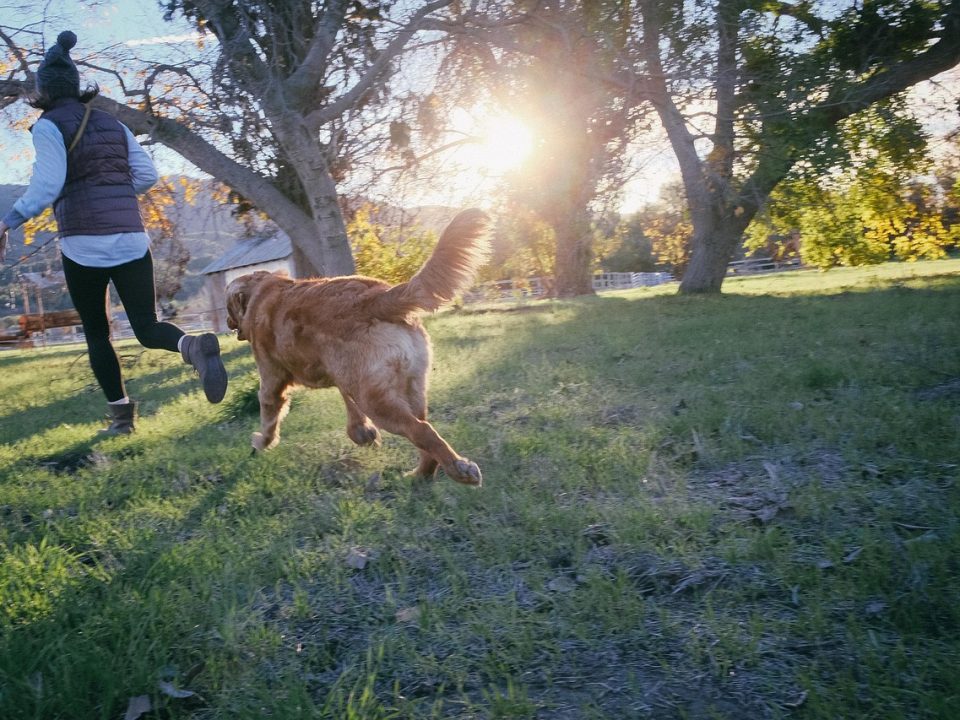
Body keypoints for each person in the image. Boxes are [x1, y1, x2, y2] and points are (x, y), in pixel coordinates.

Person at [0, 30, 227, 435]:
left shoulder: (48, 126)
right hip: (131, 237)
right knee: (145, 325)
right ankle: (191, 346)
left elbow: (48, 186)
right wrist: (117, 193)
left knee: (98, 334)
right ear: (76, 87)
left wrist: (8, 220)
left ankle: (122, 421)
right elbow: (147, 175)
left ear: (43, 92)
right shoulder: (112, 122)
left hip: (84, 243)